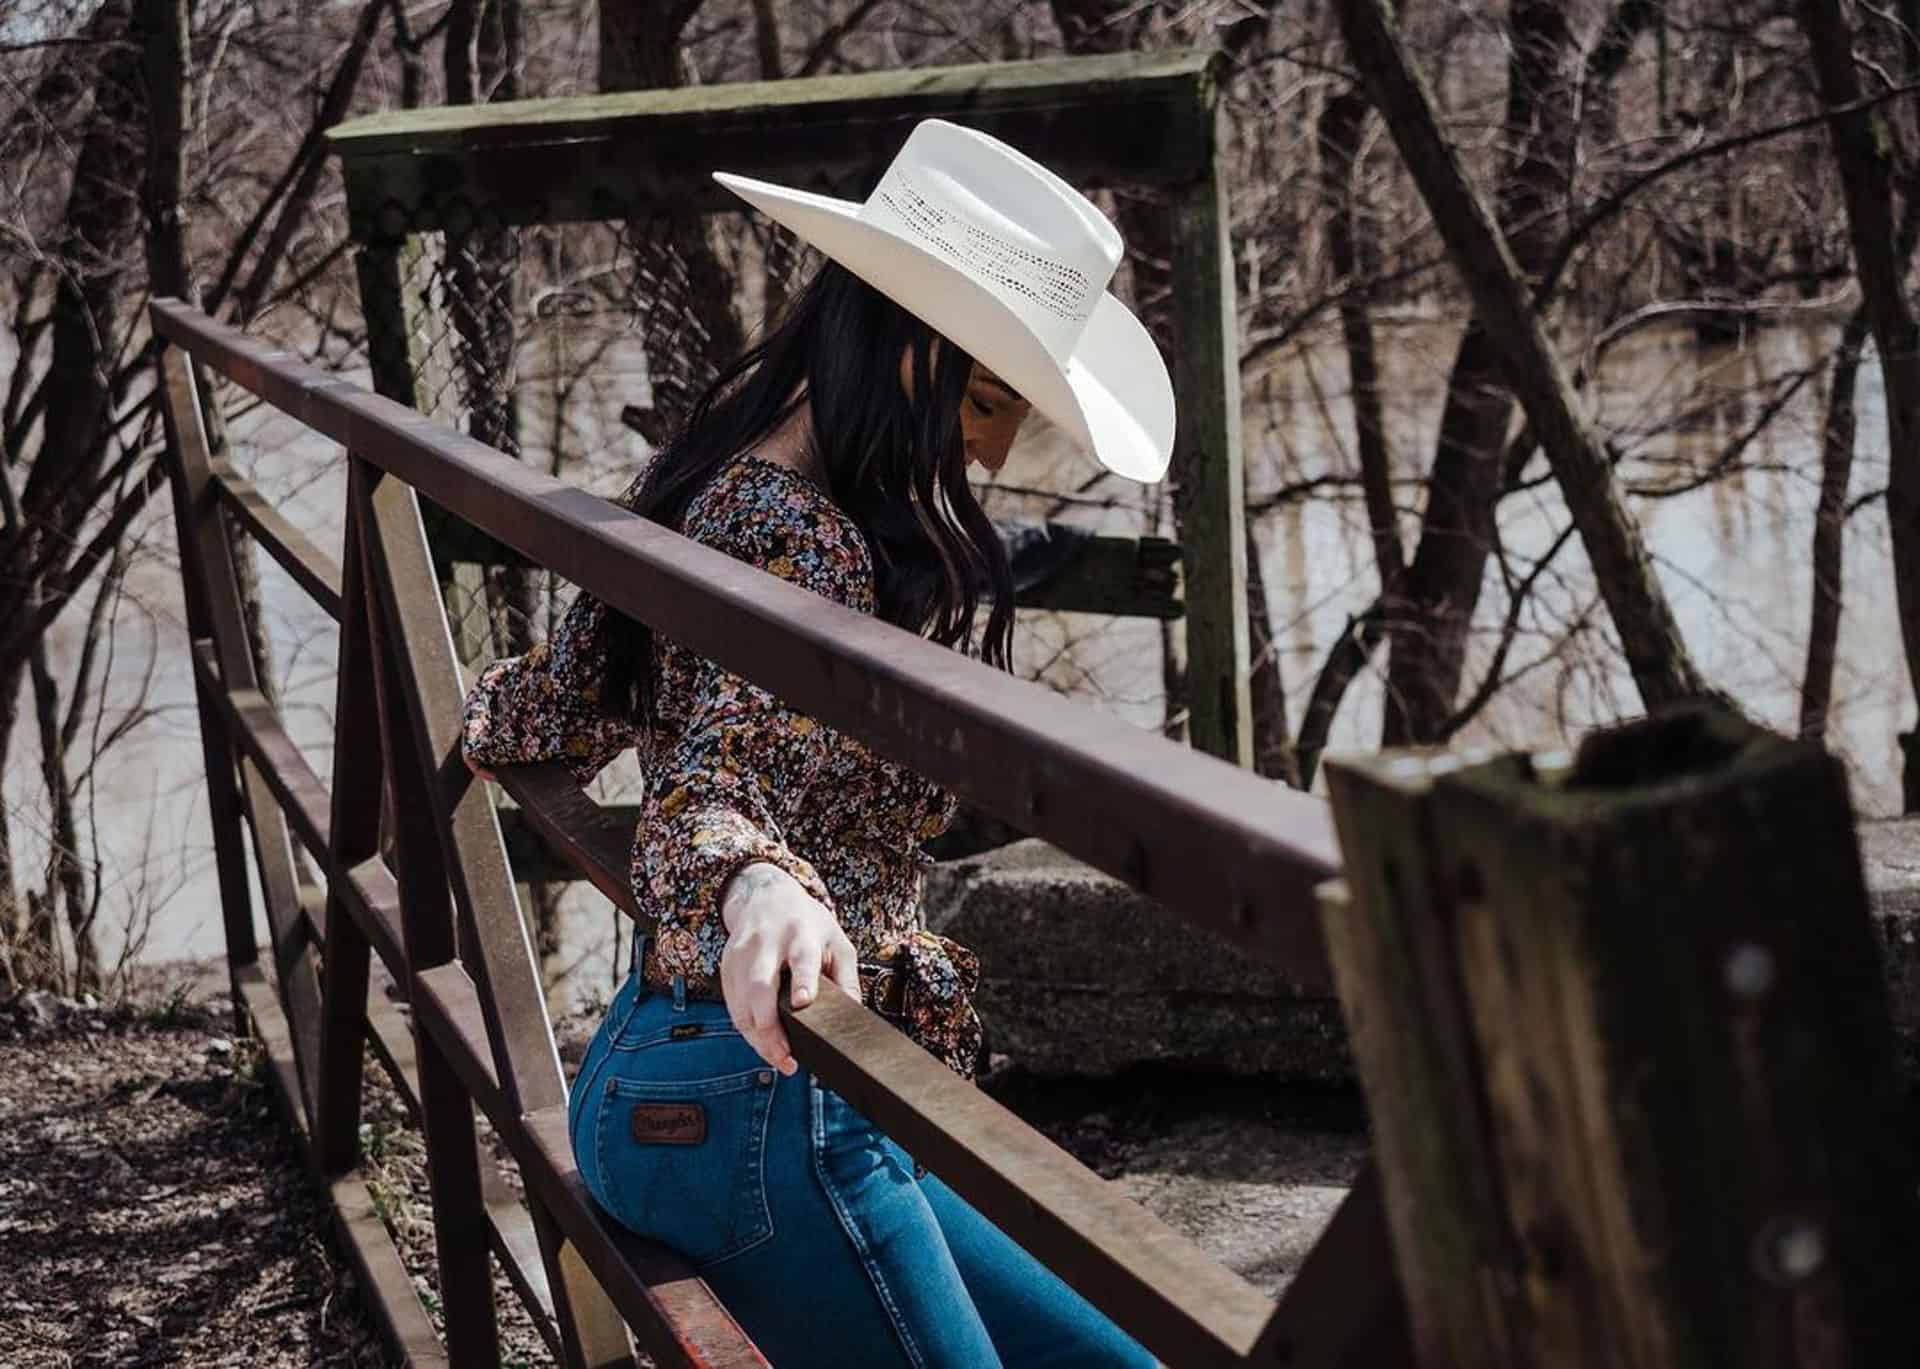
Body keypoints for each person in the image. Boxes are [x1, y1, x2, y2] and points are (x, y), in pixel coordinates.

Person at [459, 117, 1174, 1368]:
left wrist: (483, 707)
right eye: (991, 398)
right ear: (905, 346)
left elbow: (559, 704)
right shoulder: (804, 544)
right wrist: (756, 887)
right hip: (763, 1104)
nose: (996, 451)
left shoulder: (717, 483)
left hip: (754, 1084)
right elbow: (708, 792)